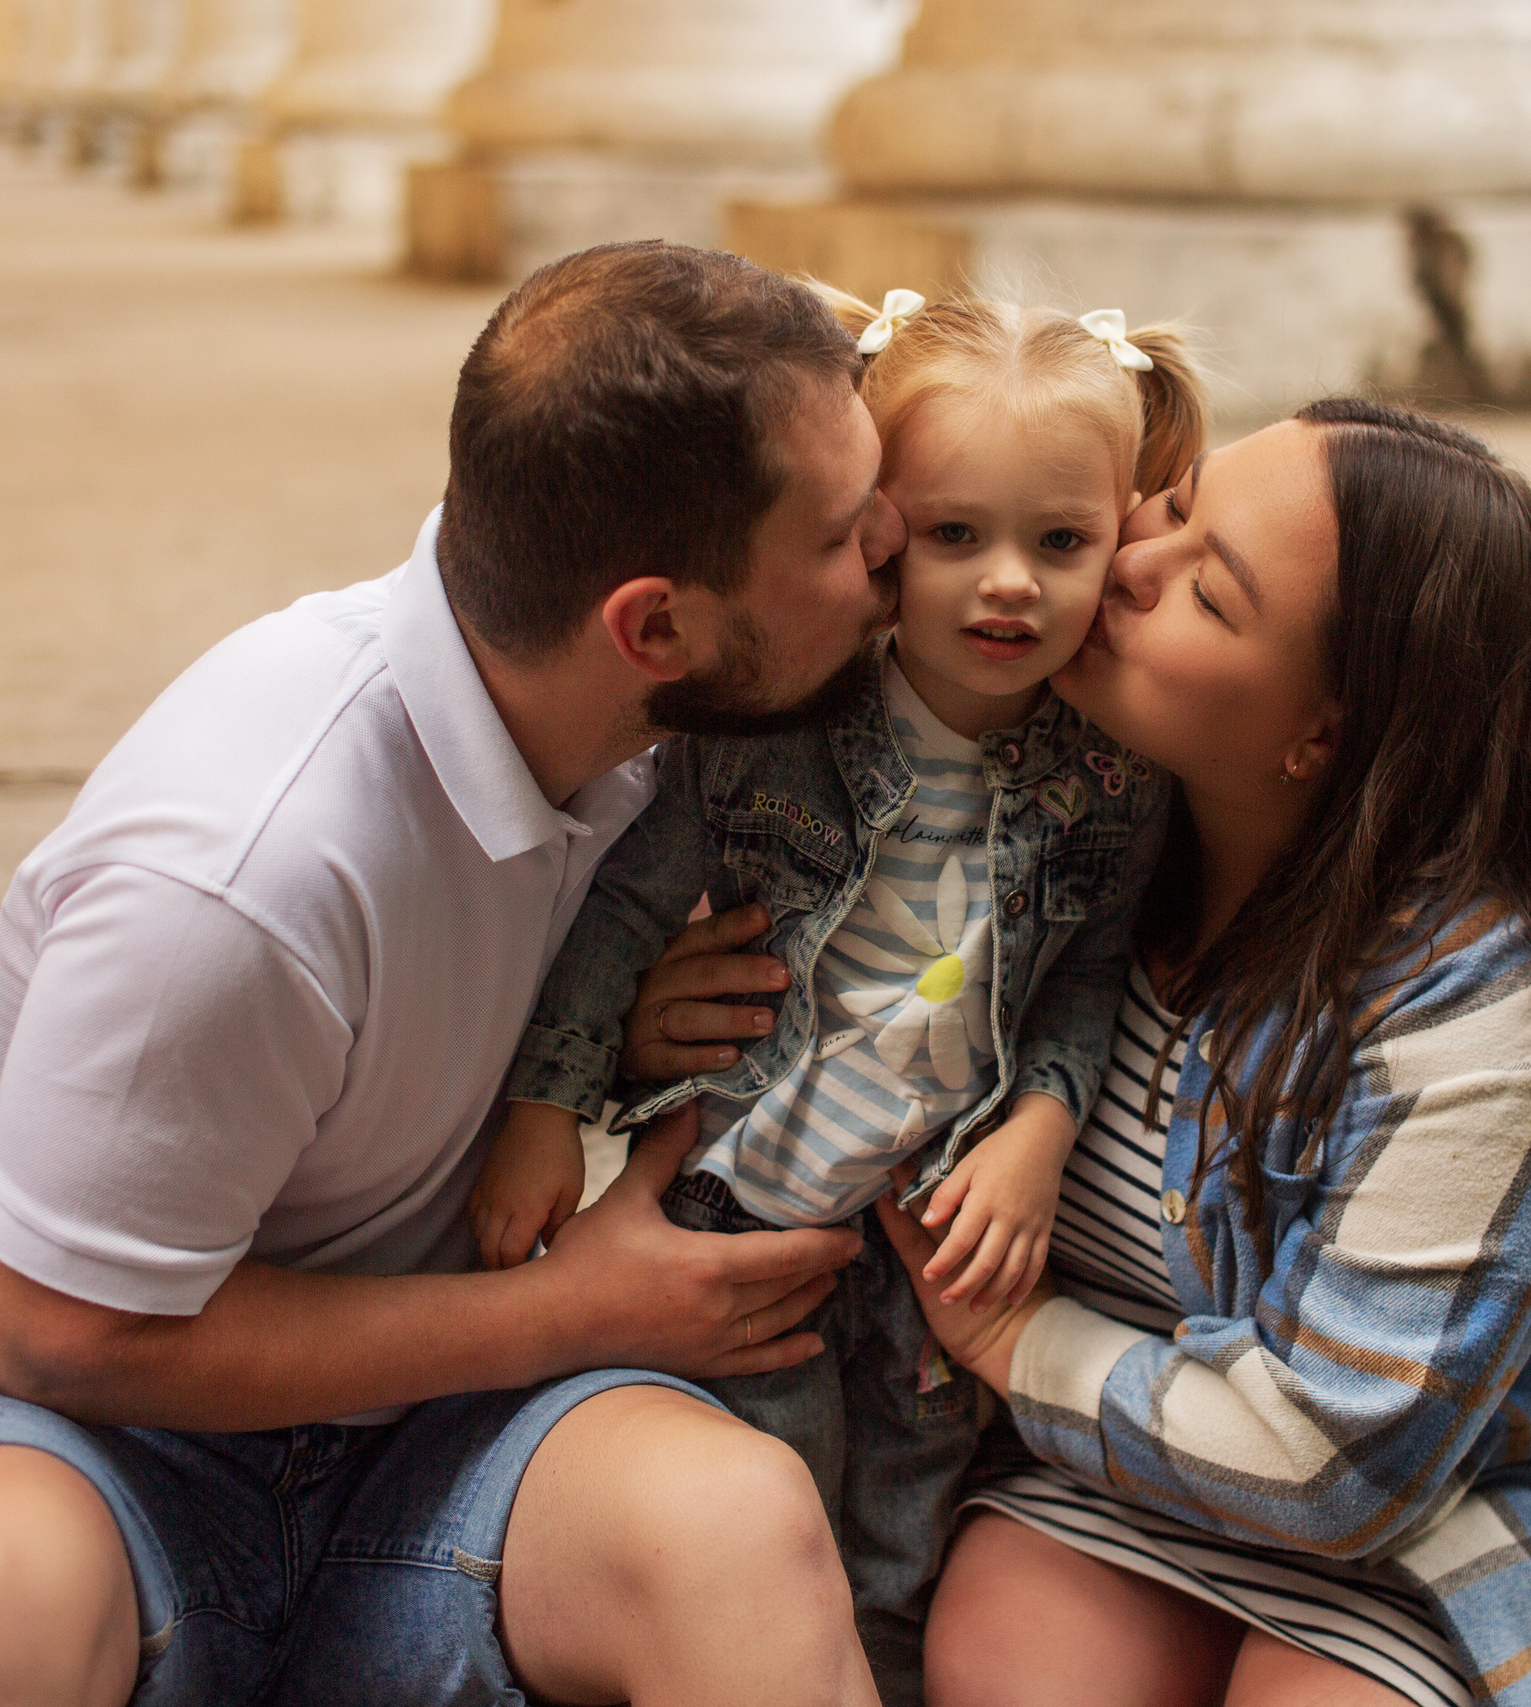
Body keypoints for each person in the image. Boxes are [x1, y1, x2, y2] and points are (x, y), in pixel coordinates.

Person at [0, 242, 915, 1707]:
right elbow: (58, 1333)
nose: (895, 539)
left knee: (737, 1531)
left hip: (443, 1454)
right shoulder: (240, 873)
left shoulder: (662, 736)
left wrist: (616, 1044)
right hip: (77, 1442)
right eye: (839, 535)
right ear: (654, 626)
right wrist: (579, 1311)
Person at [637, 401, 1531, 1707]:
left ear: (1324, 735)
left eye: (1208, 594)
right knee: (1007, 1671)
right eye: (1173, 511)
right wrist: (667, 1015)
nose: (1125, 565)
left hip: (1493, 1451)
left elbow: (1340, 1470)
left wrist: (1012, 1340)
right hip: (1156, 1407)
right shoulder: (1067, 798)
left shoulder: (1492, 998)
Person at [465, 286, 1205, 1705]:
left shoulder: (1113, 778)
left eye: (1062, 542)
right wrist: (547, 1104)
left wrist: (1041, 1127)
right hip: (747, 1206)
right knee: (776, 1520)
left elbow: (1086, 971)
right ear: (882, 534)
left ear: (1121, 534)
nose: (1009, 584)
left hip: (933, 1238)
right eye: (953, 537)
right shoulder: (777, 732)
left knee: (900, 1545)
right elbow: (627, 904)